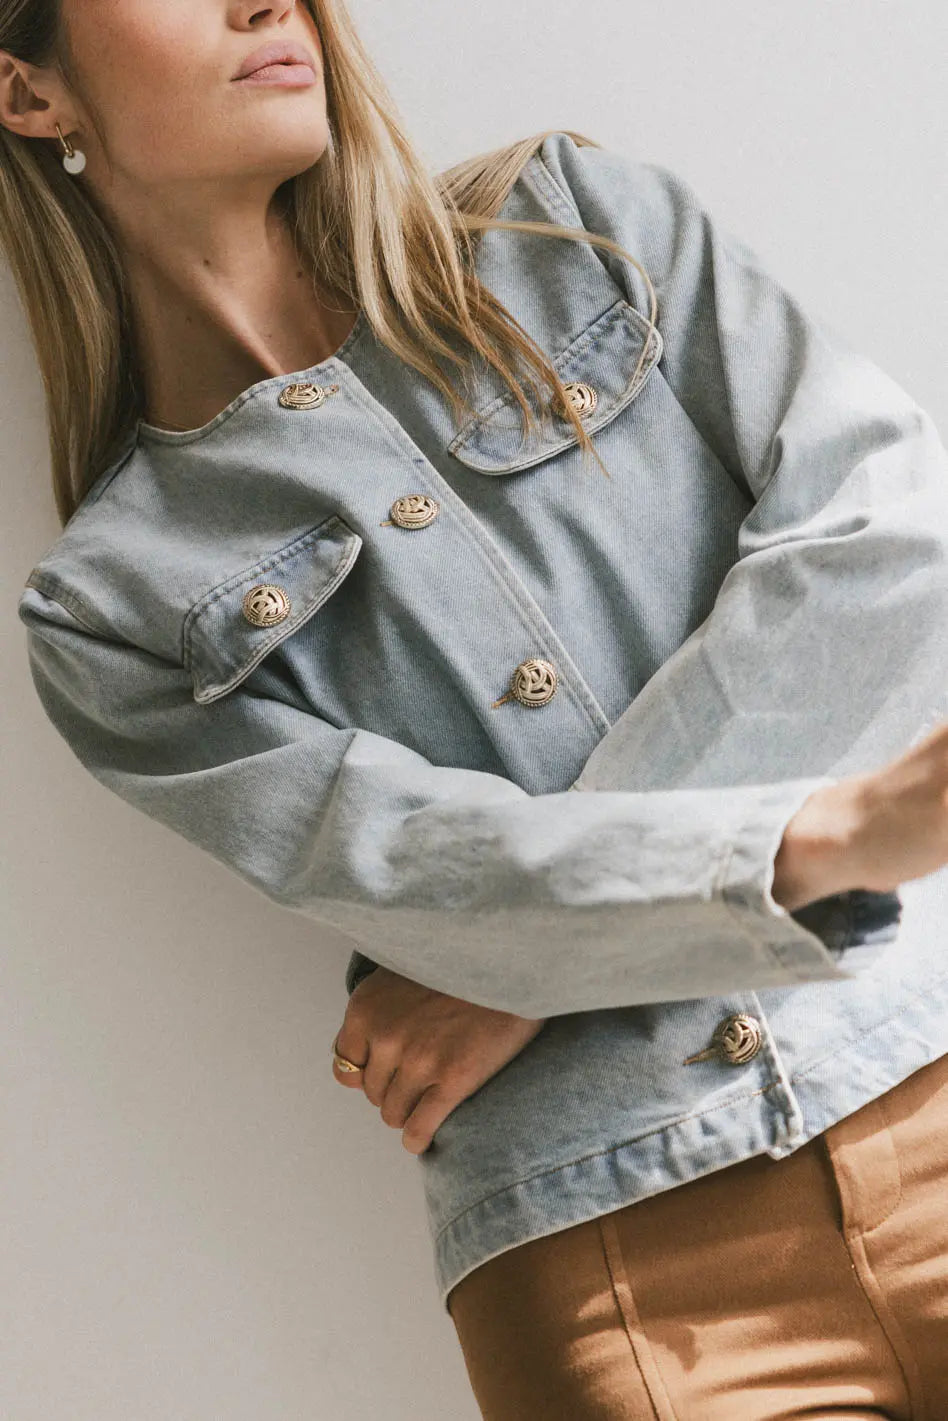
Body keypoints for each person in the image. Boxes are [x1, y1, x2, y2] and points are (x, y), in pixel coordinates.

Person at [4, 2, 948, 1415]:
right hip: (612, 1262)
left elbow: (885, 539)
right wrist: (823, 840)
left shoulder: (579, 225)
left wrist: (509, 966)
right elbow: (409, 867)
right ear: (28, 93)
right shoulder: (111, 611)